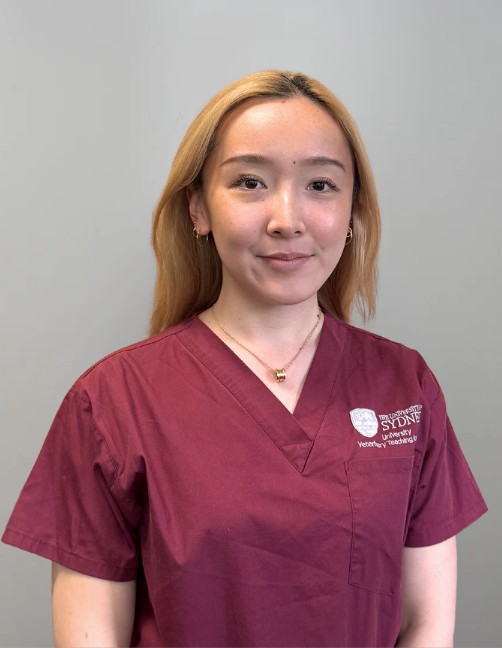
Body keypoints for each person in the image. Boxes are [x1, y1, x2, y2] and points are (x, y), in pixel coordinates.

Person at [2, 70, 487, 647]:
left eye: (321, 185)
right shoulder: (112, 402)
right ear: (198, 209)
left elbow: (426, 625)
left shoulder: (405, 385)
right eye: (250, 182)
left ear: (353, 212)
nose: (287, 220)